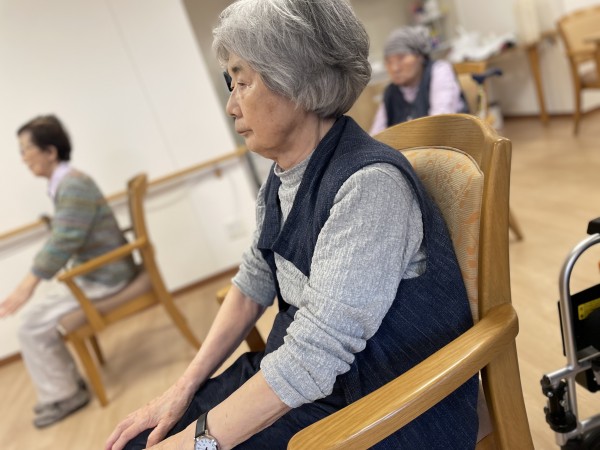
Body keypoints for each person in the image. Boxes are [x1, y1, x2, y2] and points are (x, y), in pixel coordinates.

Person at [106, 1, 478, 449]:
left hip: (381, 406)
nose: (231, 106)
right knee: (140, 439)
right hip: (306, 384)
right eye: (230, 83)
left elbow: (315, 356)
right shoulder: (282, 177)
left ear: (297, 80)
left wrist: (198, 443)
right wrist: (180, 389)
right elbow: (253, 284)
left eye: (242, 82)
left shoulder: (369, 185)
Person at [0, 115, 137, 428]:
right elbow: (64, 238)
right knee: (35, 318)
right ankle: (65, 387)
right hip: (96, 272)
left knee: (31, 323)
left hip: (104, 276)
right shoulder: (66, 183)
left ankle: (65, 395)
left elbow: (63, 241)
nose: (23, 158)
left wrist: (26, 286)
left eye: (26, 150)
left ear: (50, 152)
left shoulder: (73, 185)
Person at [369, 25, 467, 135]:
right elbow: (376, 133)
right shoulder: (390, 92)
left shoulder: (439, 71)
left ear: (420, 56)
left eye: (401, 58)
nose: (394, 68)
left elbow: (440, 124)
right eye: (388, 62)